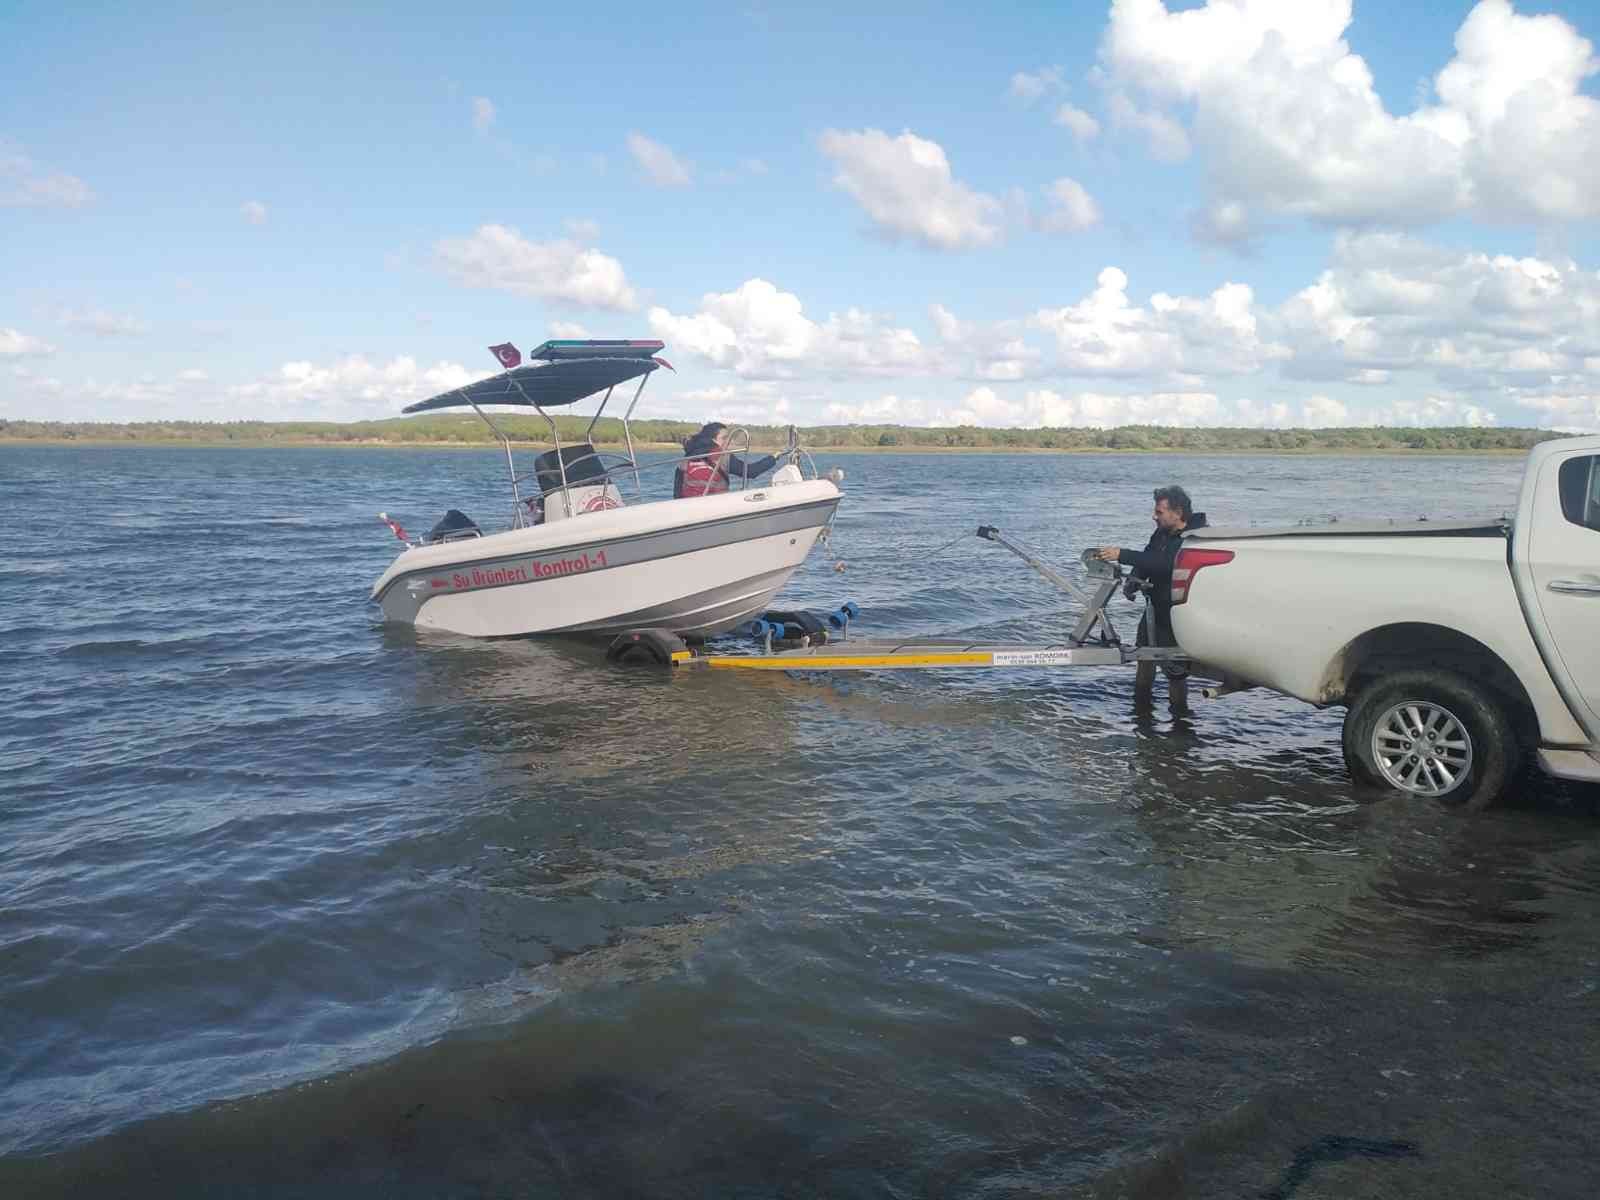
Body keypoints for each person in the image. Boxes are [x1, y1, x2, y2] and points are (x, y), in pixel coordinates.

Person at [1096, 485, 1208, 713]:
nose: (1154, 516)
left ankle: (1179, 719)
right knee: (1143, 659)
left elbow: (1168, 564)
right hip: (1153, 608)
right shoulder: (1161, 533)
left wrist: (1122, 554)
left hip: (1177, 612)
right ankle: (1141, 712)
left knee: (1175, 672)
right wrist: (1134, 579)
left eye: (1159, 512)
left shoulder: (1194, 538)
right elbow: (1149, 556)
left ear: (1177, 513)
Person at [674, 422, 784, 497]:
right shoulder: (722, 457)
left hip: (688, 508)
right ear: (713, 439)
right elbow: (751, 472)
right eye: (724, 438)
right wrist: (773, 458)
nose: (727, 442)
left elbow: (677, 492)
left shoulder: (686, 458)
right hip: (715, 507)